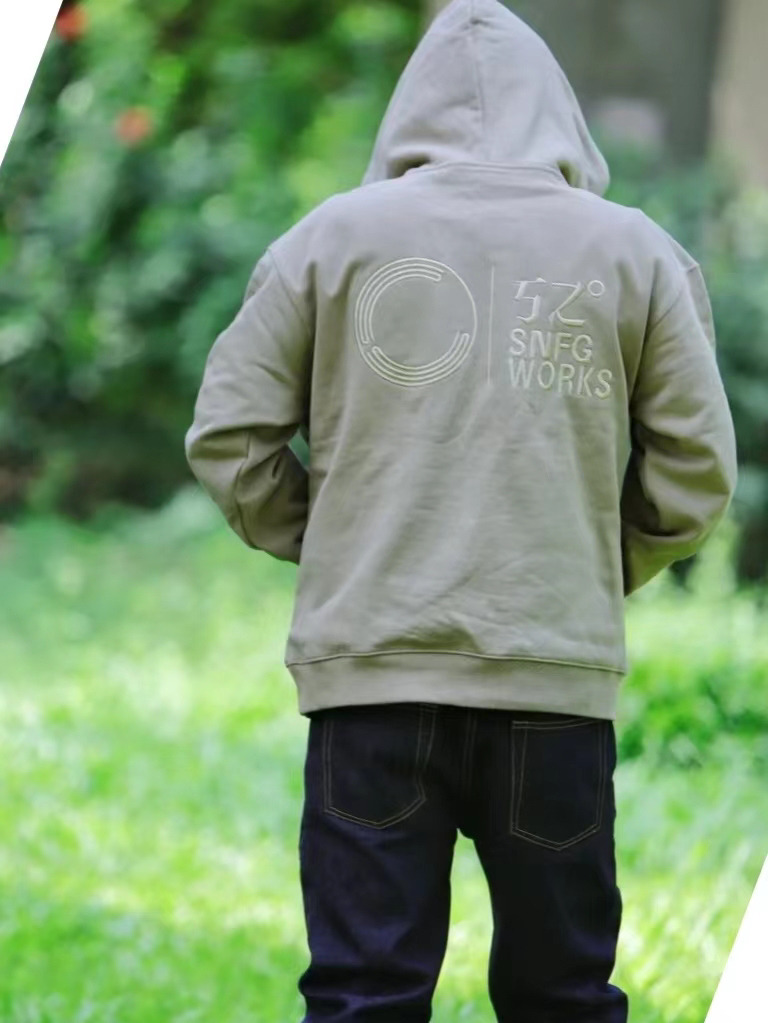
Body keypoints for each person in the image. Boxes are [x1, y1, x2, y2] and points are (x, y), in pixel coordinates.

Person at [185, 0, 738, 1019]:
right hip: (554, 678)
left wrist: (339, 543)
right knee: (563, 993)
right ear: (557, 111)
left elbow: (229, 437)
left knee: (364, 992)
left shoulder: (330, 240)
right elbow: (697, 470)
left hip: (372, 681)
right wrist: (592, 562)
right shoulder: (636, 252)